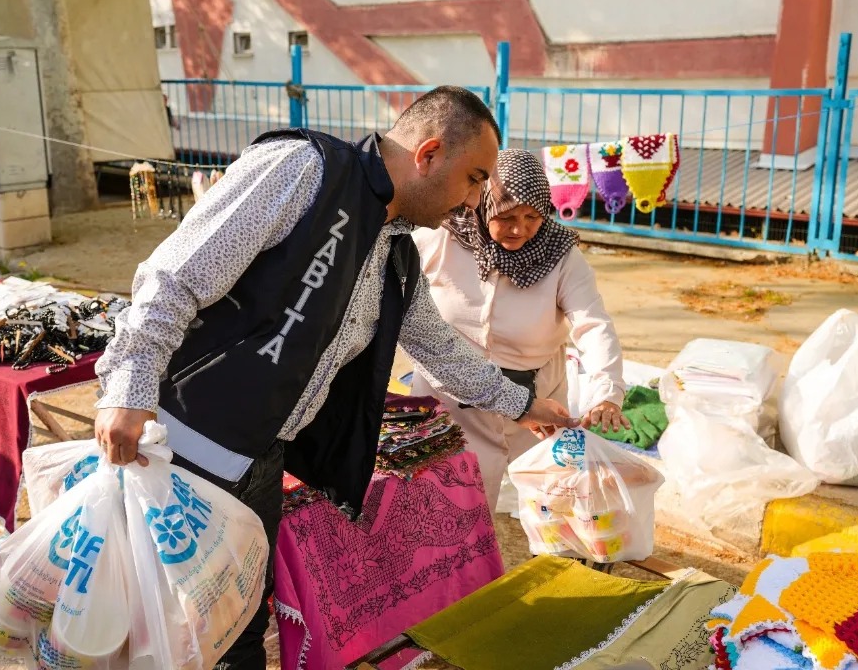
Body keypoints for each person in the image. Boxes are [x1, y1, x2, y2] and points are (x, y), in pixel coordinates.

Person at [93, 87, 579, 670]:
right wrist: (129, 388)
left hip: (259, 458)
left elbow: (434, 342)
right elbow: (174, 276)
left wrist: (519, 403)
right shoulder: (305, 170)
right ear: (428, 154)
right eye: (474, 179)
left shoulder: (397, 247)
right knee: (160, 623)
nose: (475, 201)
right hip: (184, 447)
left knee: (236, 624)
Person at [411, 148, 629, 513]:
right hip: (451, 396)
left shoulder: (561, 256)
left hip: (539, 398)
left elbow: (593, 324)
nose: (520, 229)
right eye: (506, 216)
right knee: (450, 504)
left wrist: (607, 390)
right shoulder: (442, 239)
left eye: (532, 216)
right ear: (483, 207)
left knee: (551, 503)